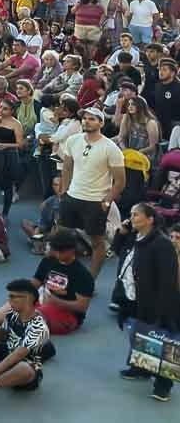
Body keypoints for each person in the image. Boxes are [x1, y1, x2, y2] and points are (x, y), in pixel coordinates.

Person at [116, 202, 179, 402]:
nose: (132, 218)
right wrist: (122, 232)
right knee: (139, 334)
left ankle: (163, 385)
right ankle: (141, 368)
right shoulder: (136, 238)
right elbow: (119, 253)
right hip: (137, 298)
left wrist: (162, 311)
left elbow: (166, 280)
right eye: (131, 214)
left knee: (163, 341)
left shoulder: (162, 244)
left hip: (157, 303)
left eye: (136, 215)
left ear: (150, 219)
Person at [57, 106, 125, 277]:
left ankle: (90, 279)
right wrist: (64, 192)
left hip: (95, 202)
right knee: (61, 238)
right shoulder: (73, 140)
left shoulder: (111, 148)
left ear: (101, 123)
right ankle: (63, 274)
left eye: (92, 119)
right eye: (85, 118)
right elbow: (67, 167)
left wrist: (107, 201)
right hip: (72, 197)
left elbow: (121, 181)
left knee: (97, 243)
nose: (86, 121)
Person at [30, 228, 94, 336]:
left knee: (32, 316)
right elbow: (35, 282)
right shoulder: (48, 261)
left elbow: (82, 307)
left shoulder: (82, 274)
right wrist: (21, 293)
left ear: (72, 250)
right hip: (43, 303)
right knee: (16, 304)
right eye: (56, 250)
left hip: (68, 315)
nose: (58, 254)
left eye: (62, 251)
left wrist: (55, 301)